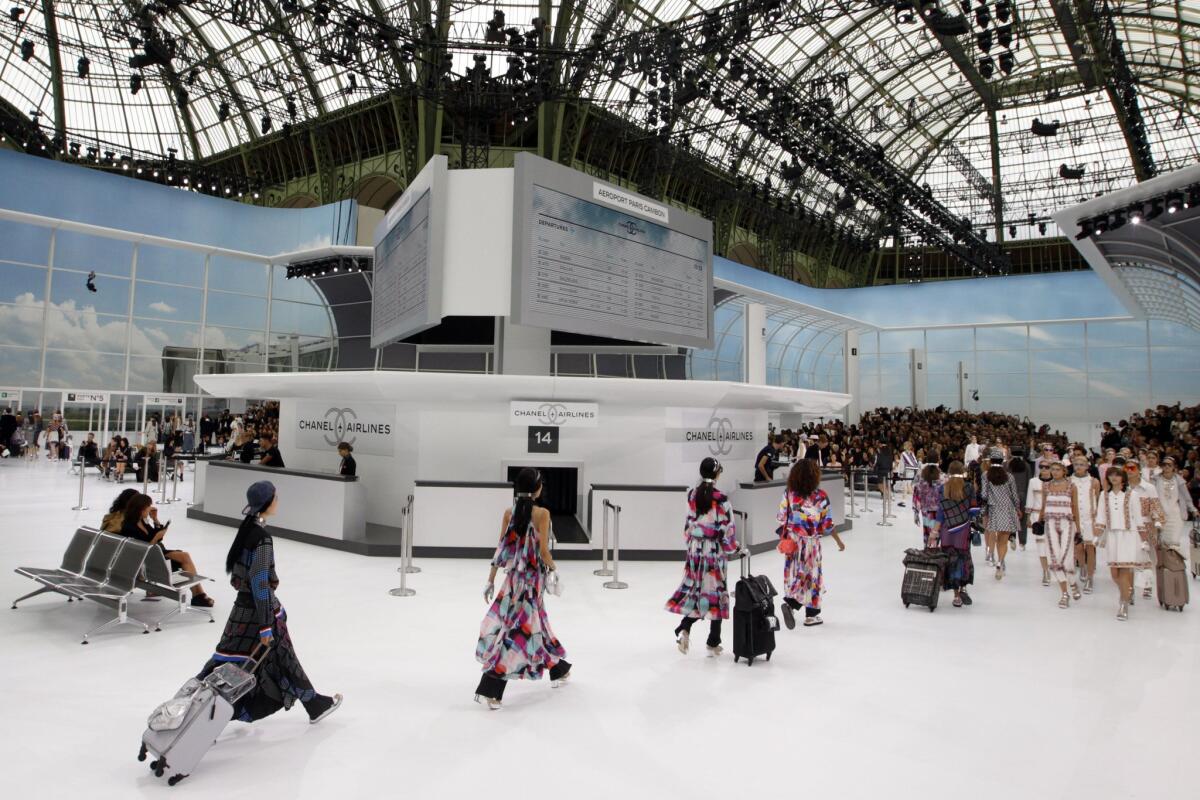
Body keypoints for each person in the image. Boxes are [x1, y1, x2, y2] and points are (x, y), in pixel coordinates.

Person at [199, 481, 343, 723]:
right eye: (276, 497)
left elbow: (241, 576)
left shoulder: (246, 531)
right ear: (267, 503)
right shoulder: (262, 539)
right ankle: (207, 715)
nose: (278, 501)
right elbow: (259, 582)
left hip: (242, 612)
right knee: (280, 658)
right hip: (259, 614)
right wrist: (266, 624)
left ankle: (199, 707)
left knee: (227, 660)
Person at [475, 468, 570, 710]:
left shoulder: (509, 513)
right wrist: (555, 569)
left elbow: (501, 549)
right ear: (538, 489)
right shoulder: (543, 514)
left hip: (514, 581)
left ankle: (559, 670)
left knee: (535, 625)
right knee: (516, 632)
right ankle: (491, 688)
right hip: (531, 581)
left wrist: (491, 578)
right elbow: (544, 552)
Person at [665, 457, 740, 657]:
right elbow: (728, 529)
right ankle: (713, 641)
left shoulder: (692, 494)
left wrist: (692, 544)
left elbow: (688, 524)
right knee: (716, 594)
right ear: (717, 474)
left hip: (695, 550)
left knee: (695, 591)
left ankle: (686, 627)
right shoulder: (721, 498)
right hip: (714, 552)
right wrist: (733, 548)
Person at [776, 459, 844, 629]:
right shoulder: (820, 496)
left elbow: (781, 517)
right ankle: (810, 615)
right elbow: (827, 524)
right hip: (811, 543)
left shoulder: (789, 493)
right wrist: (839, 541)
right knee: (813, 576)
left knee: (796, 573)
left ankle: (791, 603)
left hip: (793, 541)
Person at [118, 493, 214, 606]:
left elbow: (155, 536)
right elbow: (143, 550)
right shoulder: (129, 527)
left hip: (154, 553)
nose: (150, 508)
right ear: (141, 508)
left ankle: (198, 594)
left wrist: (155, 520)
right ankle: (198, 595)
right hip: (146, 559)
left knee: (184, 556)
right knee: (184, 557)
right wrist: (156, 537)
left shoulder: (142, 521)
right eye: (149, 506)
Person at [1096, 466, 1148, 621]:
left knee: (1125, 571)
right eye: (1111, 475)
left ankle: (1123, 603)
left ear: (1123, 478)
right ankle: (1127, 591)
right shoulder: (1104, 495)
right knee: (1114, 574)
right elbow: (1100, 517)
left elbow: (1138, 517)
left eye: (1117, 475)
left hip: (1129, 536)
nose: (1114, 478)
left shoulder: (1132, 495)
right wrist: (1097, 534)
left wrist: (1143, 537)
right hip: (1112, 536)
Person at [1041, 461, 1082, 608]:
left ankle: (1072, 582)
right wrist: (1038, 522)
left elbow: (1075, 507)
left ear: (1064, 471)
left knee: (1066, 559)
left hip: (1067, 522)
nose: (1055, 472)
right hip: (1050, 522)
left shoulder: (1071, 486)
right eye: (1053, 469)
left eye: (1058, 469)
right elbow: (1043, 505)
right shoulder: (1046, 486)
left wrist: (1079, 529)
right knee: (1054, 558)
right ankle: (1064, 594)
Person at [934, 462, 975, 608]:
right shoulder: (969, 488)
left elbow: (940, 512)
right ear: (963, 472)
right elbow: (974, 510)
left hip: (947, 531)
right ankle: (964, 587)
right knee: (964, 558)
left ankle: (956, 596)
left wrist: (934, 531)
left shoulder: (942, 489)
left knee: (951, 561)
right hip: (963, 530)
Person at [1127, 461, 1165, 600]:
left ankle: (1147, 585)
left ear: (1139, 470)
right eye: (1127, 468)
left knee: (1147, 557)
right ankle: (1129, 589)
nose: (1129, 470)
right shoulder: (1124, 487)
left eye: (1132, 468)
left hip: (1146, 525)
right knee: (1129, 558)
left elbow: (1155, 505)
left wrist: (1158, 521)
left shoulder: (1148, 487)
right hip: (1128, 527)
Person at [981, 456, 1021, 579]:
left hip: (994, 510)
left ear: (991, 461)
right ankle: (1000, 562)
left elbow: (984, 494)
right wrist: (1018, 508)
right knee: (1003, 541)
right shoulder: (1009, 476)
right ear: (1002, 461)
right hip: (1008, 509)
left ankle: (992, 555)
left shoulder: (985, 475)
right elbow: (1014, 495)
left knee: (994, 535)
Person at [1154, 456, 1196, 571]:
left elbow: (1187, 497)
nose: (1166, 467)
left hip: (1175, 513)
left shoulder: (1179, 480)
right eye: (1164, 464)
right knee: (1162, 540)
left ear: (1174, 467)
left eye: (1169, 465)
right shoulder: (1155, 479)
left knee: (1174, 540)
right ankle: (1164, 565)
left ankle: (1175, 565)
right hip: (1159, 513)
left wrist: (1193, 509)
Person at [1070, 456, 1102, 593]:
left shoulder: (1094, 481)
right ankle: (1082, 566)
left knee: (1090, 547)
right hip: (1075, 519)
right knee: (1078, 547)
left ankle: (1090, 577)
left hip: (1090, 518)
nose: (1079, 466)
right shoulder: (1069, 481)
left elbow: (1098, 500)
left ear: (1087, 466)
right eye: (1076, 464)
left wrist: (1098, 520)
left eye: (1082, 464)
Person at [912, 463, 942, 548]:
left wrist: (916, 513)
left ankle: (928, 552)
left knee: (927, 533)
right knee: (938, 533)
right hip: (939, 512)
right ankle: (936, 553)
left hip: (926, 512)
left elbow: (916, 496)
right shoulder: (941, 481)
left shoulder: (921, 482)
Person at [1008, 457, 1030, 551]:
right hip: (1023, 493)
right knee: (1023, 518)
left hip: (1011, 494)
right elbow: (1029, 480)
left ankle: (1012, 536)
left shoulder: (1008, 465)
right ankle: (1022, 542)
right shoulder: (1027, 466)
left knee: (1011, 517)